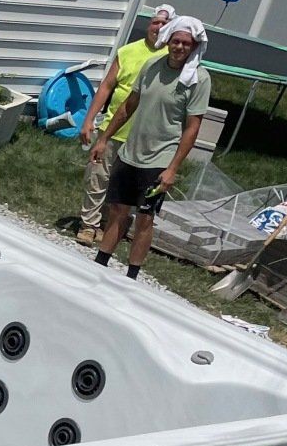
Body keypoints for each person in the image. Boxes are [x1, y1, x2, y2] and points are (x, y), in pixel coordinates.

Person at [89, 15, 210, 279]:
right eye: (176, 41)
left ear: (193, 47)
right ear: (168, 41)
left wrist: (172, 169)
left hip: (160, 157)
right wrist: (104, 138)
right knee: (118, 209)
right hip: (131, 150)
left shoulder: (198, 79)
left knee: (145, 217)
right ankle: (100, 264)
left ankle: (132, 274)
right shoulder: (152, 65)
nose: (179, 47)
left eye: (186, 44)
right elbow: (128, 105)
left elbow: (192, 128)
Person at [74, 3, 173, 246]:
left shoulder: (172, 58)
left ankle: (110, 226)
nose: (158, 28)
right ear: (149, 26)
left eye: (165, 24)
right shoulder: (128, 52)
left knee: (125, 185)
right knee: (98, 176)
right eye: (155, 23)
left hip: (145, 136)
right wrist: (89, 120)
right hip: (114, 128)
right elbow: (107, 86)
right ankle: (89, 224)